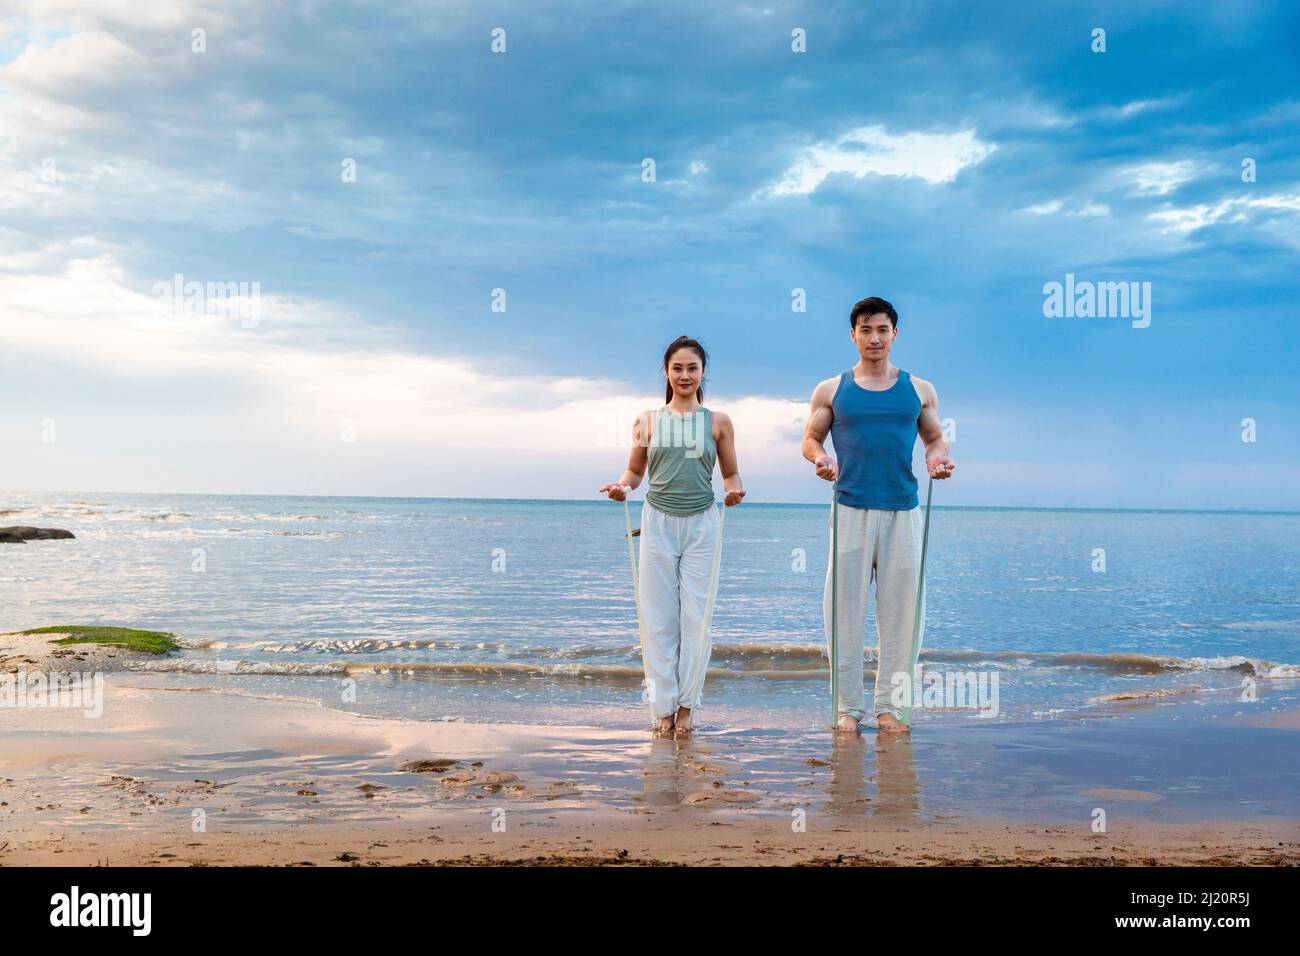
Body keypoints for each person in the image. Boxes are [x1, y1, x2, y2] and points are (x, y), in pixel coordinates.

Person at [801, 297, 954, 736]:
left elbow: (936, 439)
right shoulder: (831, 390)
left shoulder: (919, 390)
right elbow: (810, 439)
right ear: (853, 334)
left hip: (903, 510)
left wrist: (937, 461)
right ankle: (847, 710)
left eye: (882, 330)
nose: (874, 338)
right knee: (843, 614)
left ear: (894, 334)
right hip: (849, 508)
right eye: (865, 330)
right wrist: (820, 459)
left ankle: (892, 710)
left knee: (902, 616)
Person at [600, 336, 746, 739]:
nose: (685, 375)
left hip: (703, 523)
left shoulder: (718, 422)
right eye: (677, 368)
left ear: (703, 374)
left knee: (696, 622)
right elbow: (634, 472)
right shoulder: (646, 421)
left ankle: (686, 708)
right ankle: (661, 710)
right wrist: (622, 488)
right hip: (657, 523)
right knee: (659, 620)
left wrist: (734, 490)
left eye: (692, 368)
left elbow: (731, 473)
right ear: (666, 372)